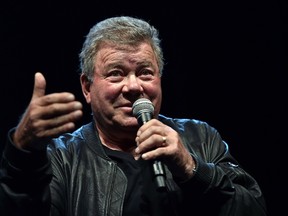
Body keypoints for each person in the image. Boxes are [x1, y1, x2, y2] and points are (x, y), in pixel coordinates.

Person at [0, 16, 268, 216]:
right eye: (116, 73)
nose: (133, 86)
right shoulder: (62, 157)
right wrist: (22, 152)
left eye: (145, 72)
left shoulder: (201, 137)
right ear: (87, 87)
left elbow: (254, 208)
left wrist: (191, 169)